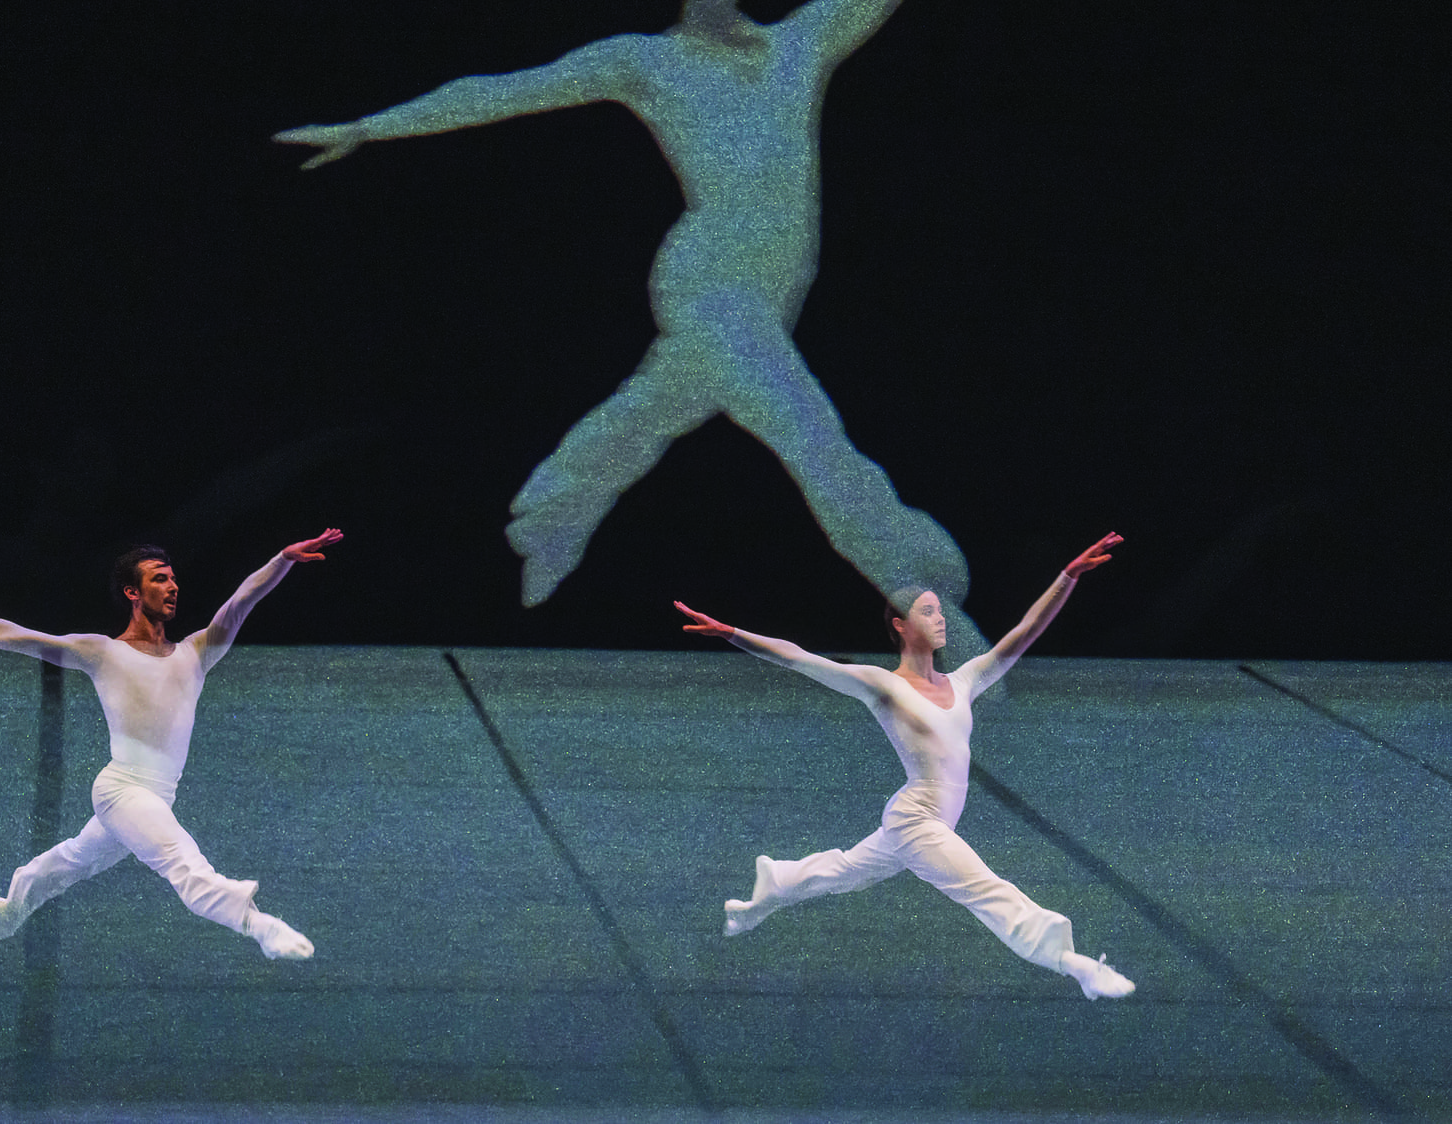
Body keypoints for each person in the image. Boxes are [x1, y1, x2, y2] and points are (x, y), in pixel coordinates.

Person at [275, 0, 981, 663]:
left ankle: (552, 515)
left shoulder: (804, 41)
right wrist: (371, 126)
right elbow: (499, 90)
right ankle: (921, 590)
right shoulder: (645, 62)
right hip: (708, 281)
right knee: (806, 432)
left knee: (657, 406)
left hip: (773, 295)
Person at [675, 532, 1136, 999]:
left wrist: (1067, 577)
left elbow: (1025, 632)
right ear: (900, 625)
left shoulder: (966, 679)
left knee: (846, 872)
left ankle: (776, 882)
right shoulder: (883, 685)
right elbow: (799, 658)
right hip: (918, 820)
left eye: (941, 610)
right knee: (984, 889)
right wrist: (731, 633)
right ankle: (1074, 964)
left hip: (917, 821)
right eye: (928, 611)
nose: (941, 619)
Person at [0, 528, 344, 960]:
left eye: (173, 578)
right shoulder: (102, 652)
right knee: (181, 862)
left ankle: (11, 911)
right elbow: (17, 637)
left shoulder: (196, 653)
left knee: (73, 859)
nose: (173, 587)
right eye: (159, 579)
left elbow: (240, 603)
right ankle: (260, 926)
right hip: (122, 789)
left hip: (158, 797)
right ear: (133, 592)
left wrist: (282, 560)